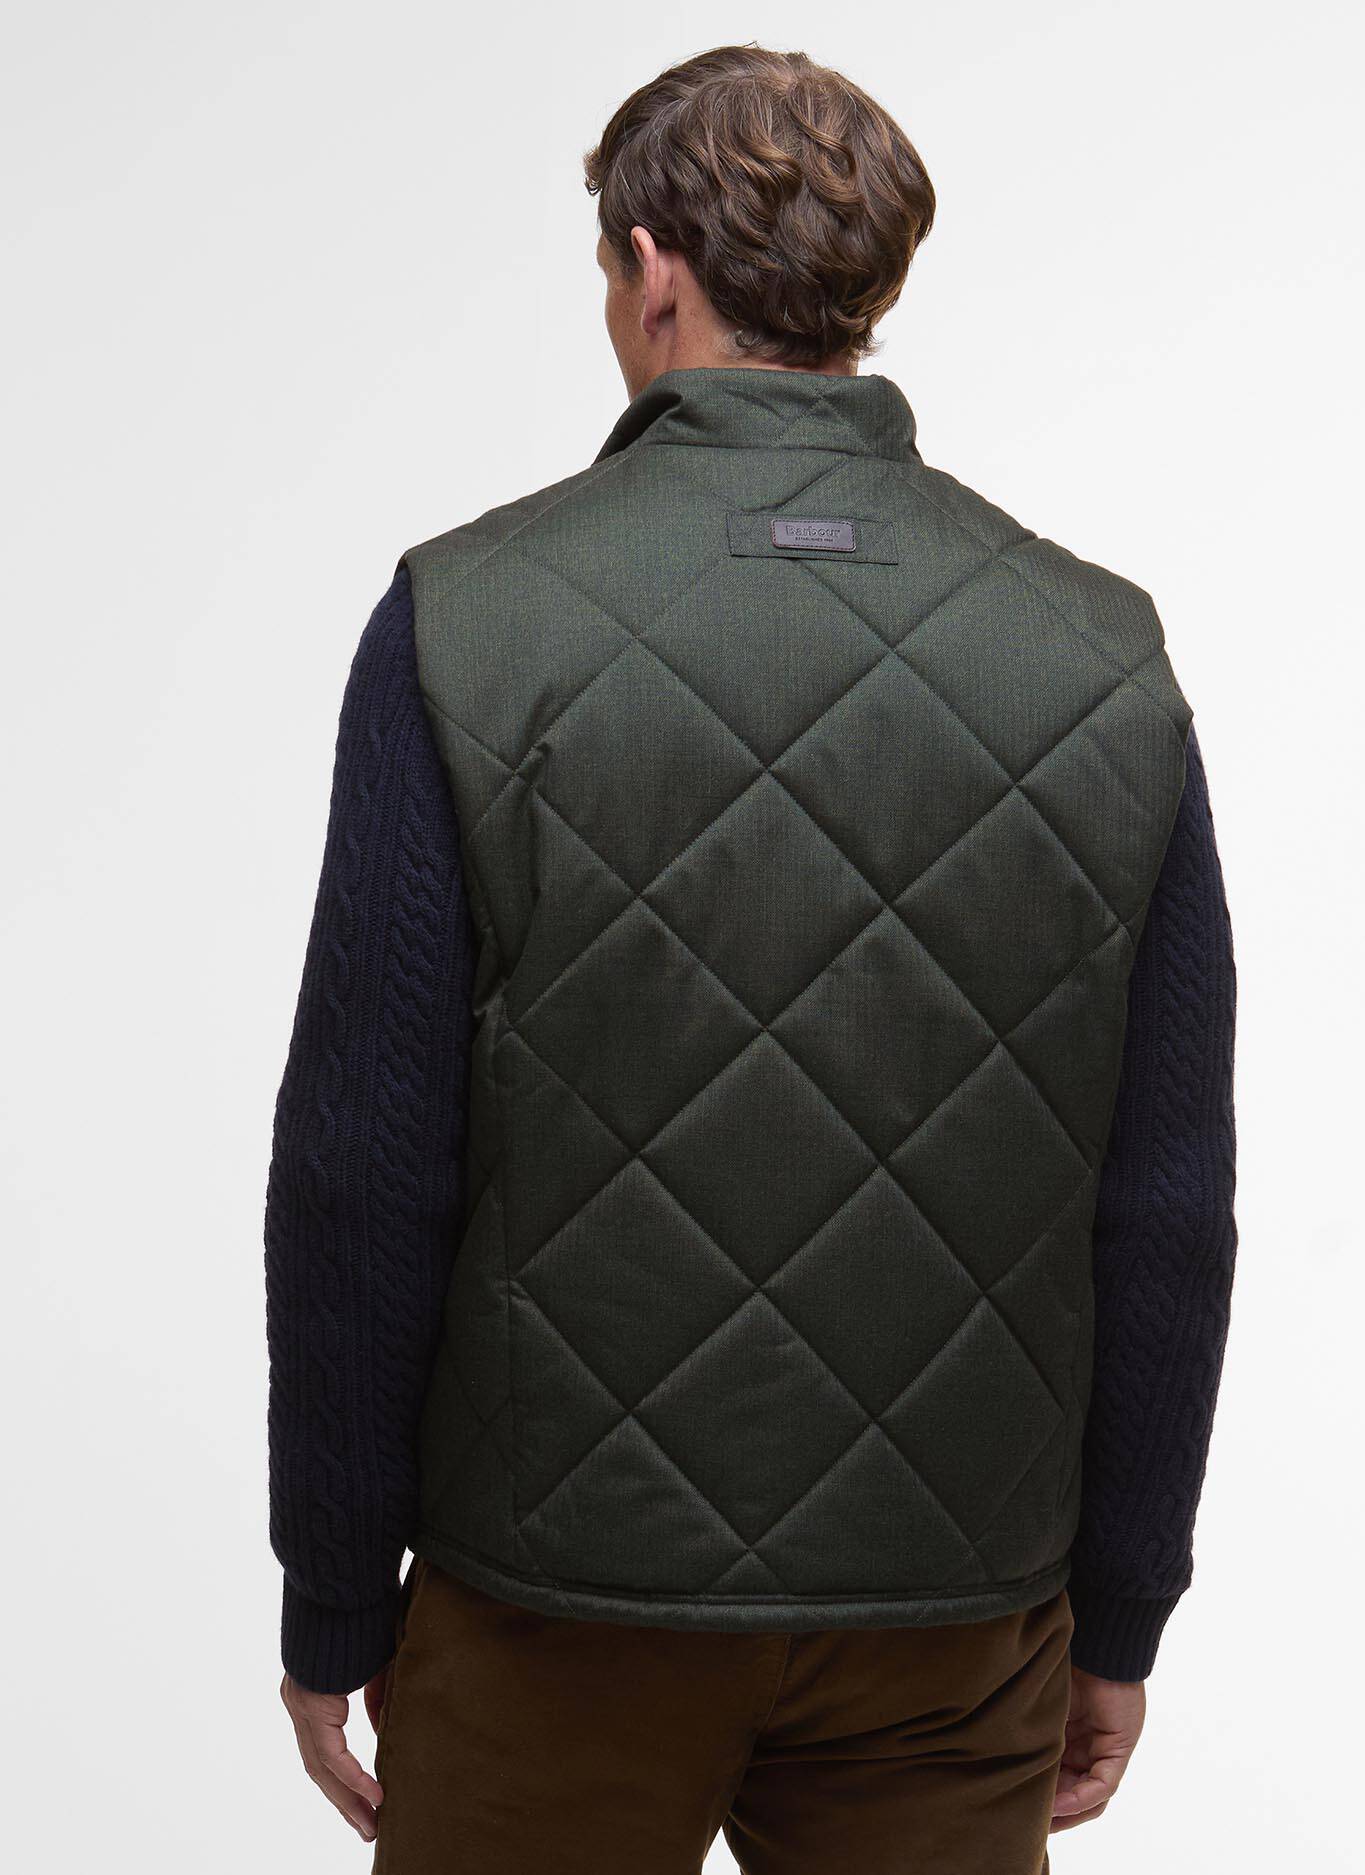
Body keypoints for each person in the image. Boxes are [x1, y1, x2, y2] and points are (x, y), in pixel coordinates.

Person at [265, 43, 1237, 1875]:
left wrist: (332, 1597)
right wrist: (1122, 1611)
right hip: (955, 1618)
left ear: (653, 269)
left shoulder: (466, 622)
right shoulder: (1102, 656)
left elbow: (362, 1169)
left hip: (550, 1604)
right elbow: (1165, 1199)